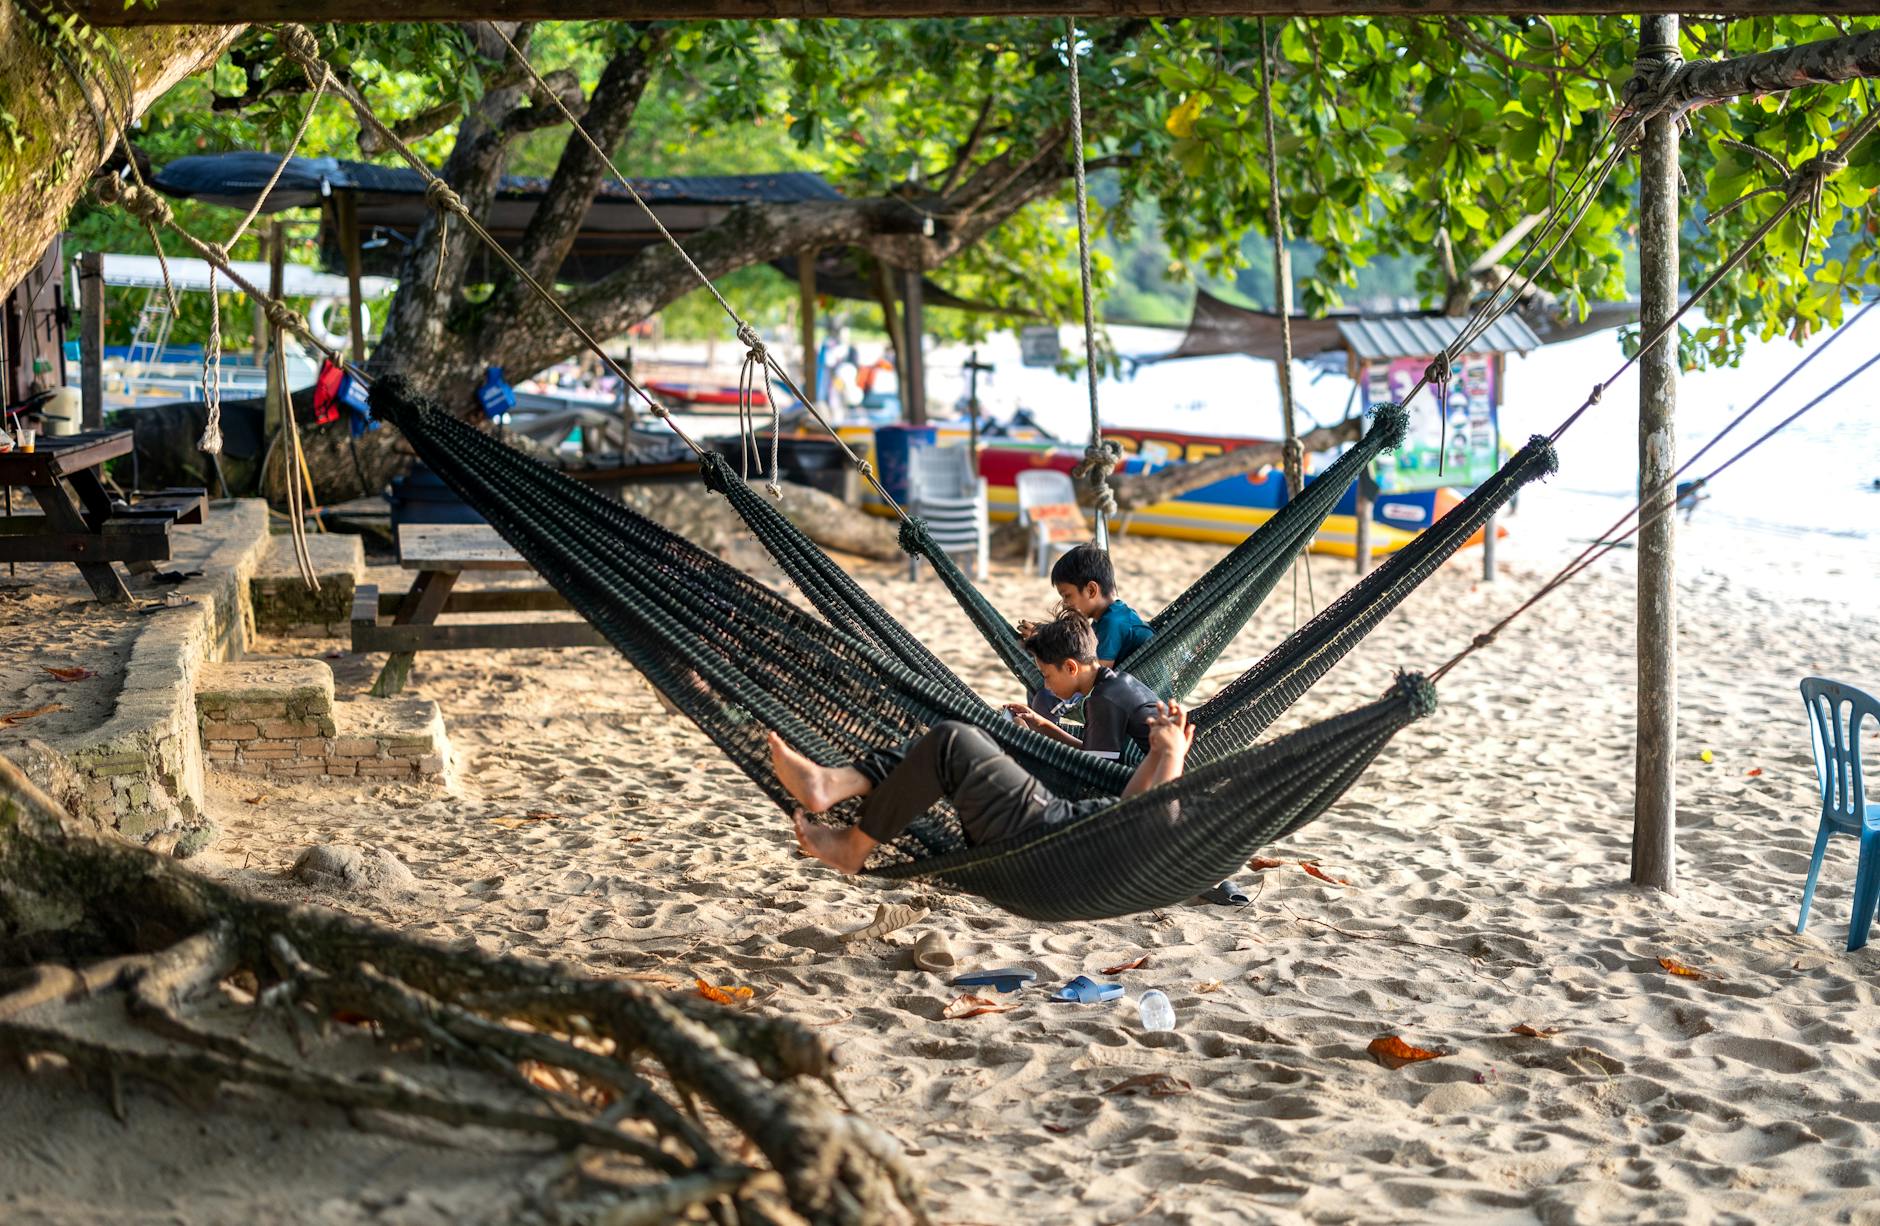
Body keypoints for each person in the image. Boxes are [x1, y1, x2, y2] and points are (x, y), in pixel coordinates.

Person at [770, 701, 1195, 875]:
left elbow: (1157, 824)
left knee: (954, 741)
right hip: (1042, 833)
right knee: (958, 745)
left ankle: (853, 846)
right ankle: (834, 784)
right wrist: (1161, 752)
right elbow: (1132, 808)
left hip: (1040, 832)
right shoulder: (1142, 827)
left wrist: (1174, 757)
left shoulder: (1166, 835)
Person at [1001, 614, 1157, 760]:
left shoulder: (1102, 699)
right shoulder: (1115, 682)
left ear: (1070, 668)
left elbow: (1094, 770)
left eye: (1047, 676)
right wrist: (1042, 724)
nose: (1046, 686)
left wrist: (1025, 735)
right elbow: (1090, 755)